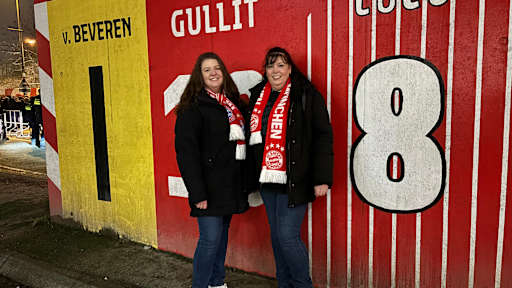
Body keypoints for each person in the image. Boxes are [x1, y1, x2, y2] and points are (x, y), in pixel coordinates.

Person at [246, 47, 333, 288]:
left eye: (281, 65)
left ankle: (303, 285)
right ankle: (284, 284)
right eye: (270, 65)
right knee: (277, 237)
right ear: (265, 70)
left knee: (287, 236)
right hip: (267, 179)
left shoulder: (305, 94)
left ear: (290, 68)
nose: (275, 70)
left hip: (295, 177)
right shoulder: (258, 96)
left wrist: (322, 178)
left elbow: (323, 137)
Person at [174, 52, 249, 288]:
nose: (213, 72)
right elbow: (186, 154)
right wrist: (198, 194)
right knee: (210, 239)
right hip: (207, 188)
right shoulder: (192, 107)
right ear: (200, 76)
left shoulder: (233, 104)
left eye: (217, 68)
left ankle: (216, 283)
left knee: (221, 237)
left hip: (229, 186)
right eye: (207, 69)